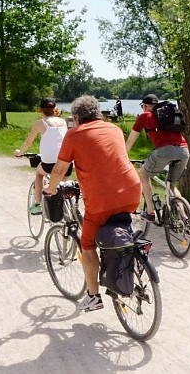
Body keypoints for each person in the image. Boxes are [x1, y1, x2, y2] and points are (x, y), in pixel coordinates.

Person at [44, 95, 141, 312]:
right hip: (133, 192)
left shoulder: (74, 134)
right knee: (120, 225)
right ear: (97, 113)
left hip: (102, 200)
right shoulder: (114, 129)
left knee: (87, 245)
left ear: (77, 117)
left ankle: (93, 296)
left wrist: (50, 189)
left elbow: (60, 170)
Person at [125, 94, 190, 222]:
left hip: (164, 151)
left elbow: (130, 141)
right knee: (171, 185)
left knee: (144, 173)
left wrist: (122, 157)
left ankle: (150, 212)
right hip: (184, 151)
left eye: (142, 106)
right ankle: (184, 216)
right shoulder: (167, 115)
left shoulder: (144, 116)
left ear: (144, 106)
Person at [13, 97, 74, 214]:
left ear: (40, 109)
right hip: (67, 163)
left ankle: (38, 204)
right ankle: (67, 213)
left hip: (49, 164)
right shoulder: (63, 122)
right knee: (60, 187)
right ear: (54, 109)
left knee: (39, 174)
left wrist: (19, 152)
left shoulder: (40, 123)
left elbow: (28, 142)